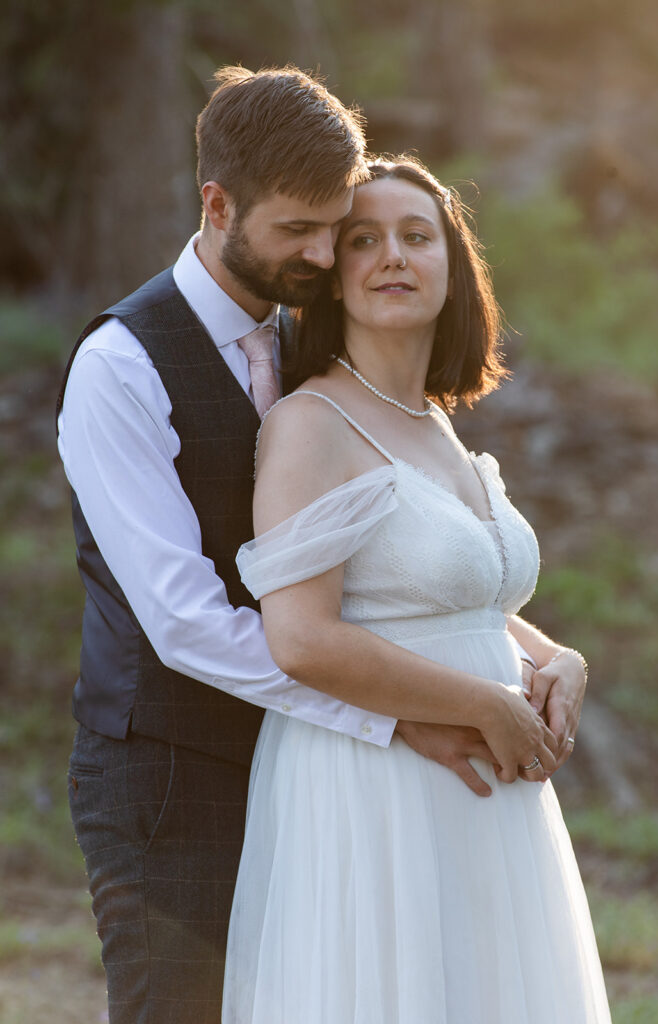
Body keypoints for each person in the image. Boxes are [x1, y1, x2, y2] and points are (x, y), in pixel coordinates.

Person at [57, 66, 581, 1024]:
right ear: (218, 205)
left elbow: (398, 569)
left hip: (312, 750)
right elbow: (185, 624)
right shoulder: (121, 367)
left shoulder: (309, 346)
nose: (319, 254)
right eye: (299, 232)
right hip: (173, 767)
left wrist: (541, 654)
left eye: (328, 231)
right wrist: (393, 719)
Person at [222, 156, 611, 1022]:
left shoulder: (436, 426)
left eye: (415, 236)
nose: (392, 256)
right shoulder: (309, 425)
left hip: (485, 796)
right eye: (364, 240)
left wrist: (556, 658)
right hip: (376, 787)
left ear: (451, 266)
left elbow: (456, 600)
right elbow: (301, 636)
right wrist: (488, 704)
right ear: (330, 271)